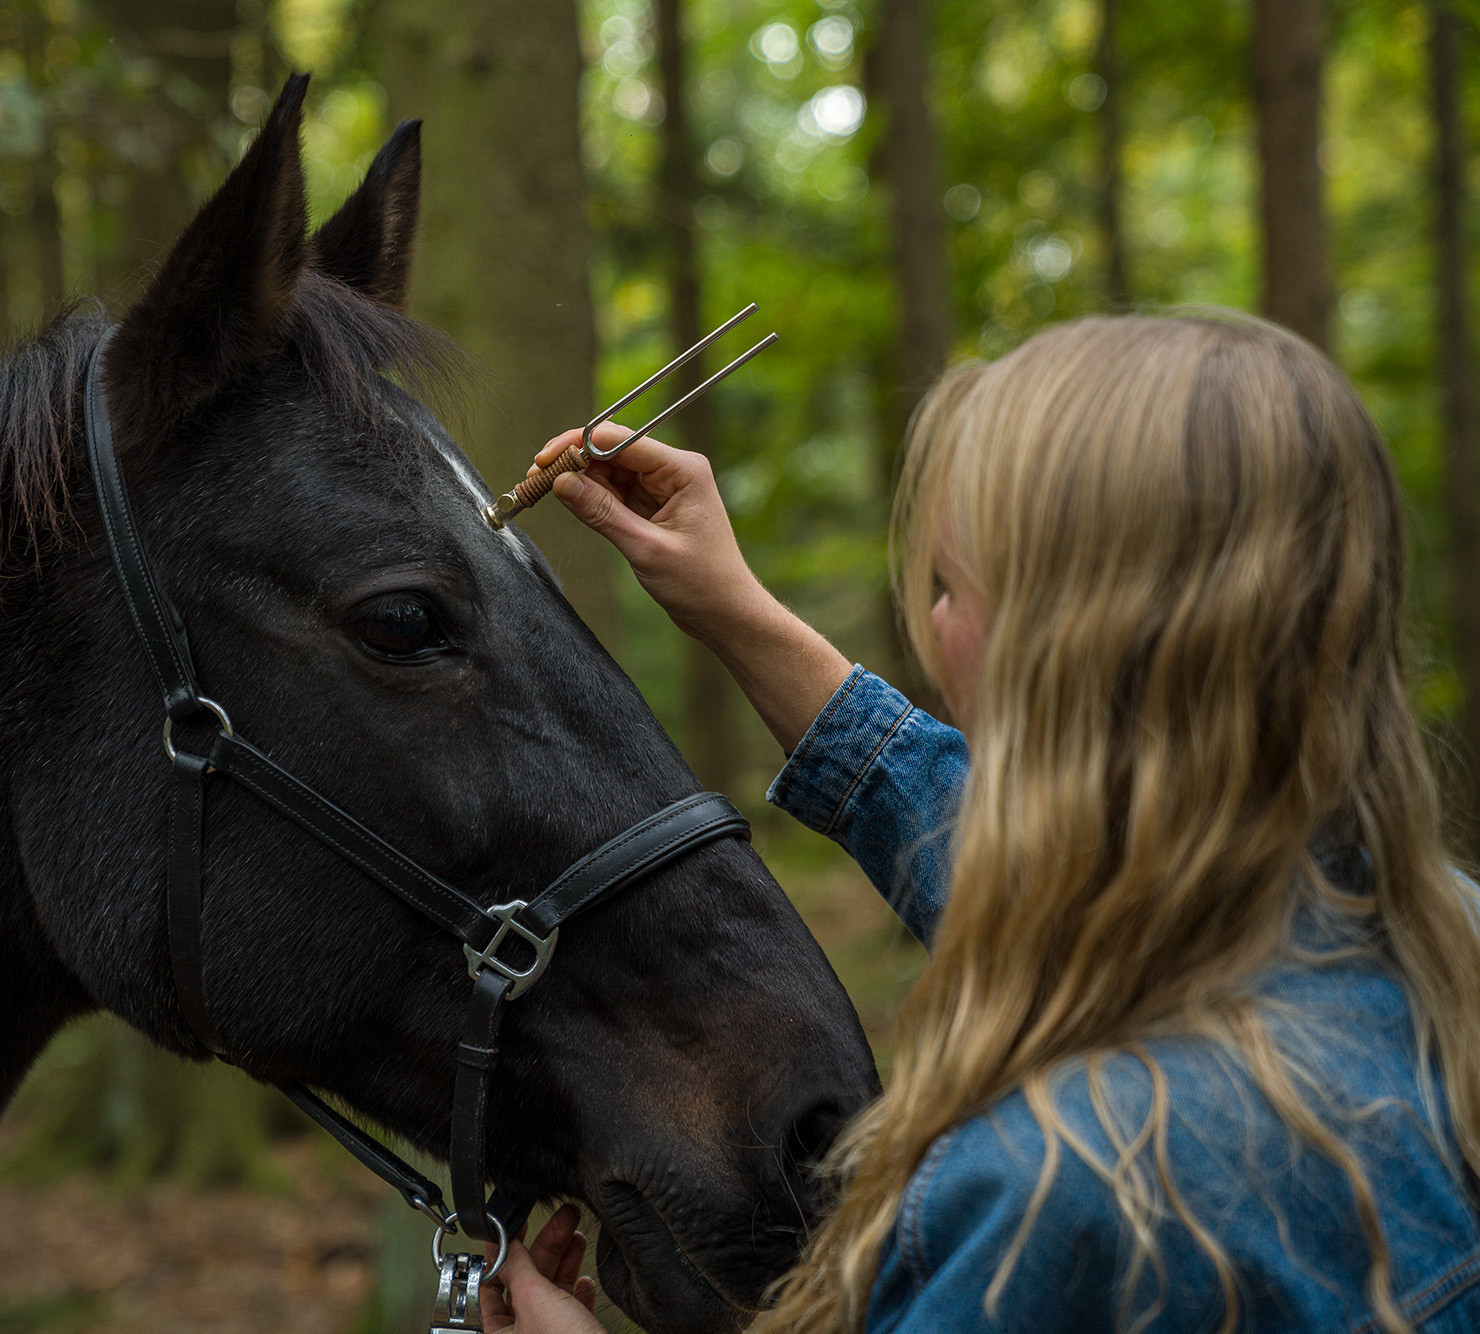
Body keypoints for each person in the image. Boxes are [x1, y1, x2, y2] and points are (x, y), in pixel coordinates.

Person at [480, 314, 1480, 1333]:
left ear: (1058, 653)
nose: (933, 619)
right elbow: (1011, 851)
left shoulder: (1056, 1197)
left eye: (949, 586)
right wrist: (734, 607)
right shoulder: (1430, 948)